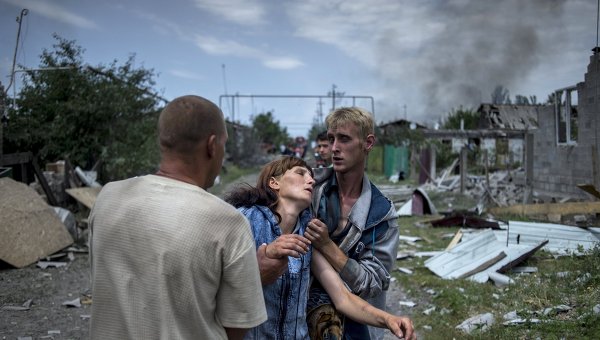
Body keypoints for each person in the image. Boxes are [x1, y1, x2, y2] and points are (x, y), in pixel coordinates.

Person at [88, 95, 267, 340]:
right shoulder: (227, 221)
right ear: (212, 145)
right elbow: (236, 327)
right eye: (224, 145)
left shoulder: (107, 197)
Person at [224, 156, 415, 340]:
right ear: (274, 183)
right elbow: (216, 285)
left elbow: (343, 298)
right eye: (301, 173)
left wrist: (389, 319)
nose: (310, 180)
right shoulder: (246, 220)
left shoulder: (306, 236)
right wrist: (261, 262)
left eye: (311, 176)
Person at [305, 107, 400, 340]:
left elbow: (371, 284)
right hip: (302, 314)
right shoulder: (310, 187)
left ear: (367, 143)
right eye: (331, 139)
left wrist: (326, 245)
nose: (334, 148)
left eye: (344, 139)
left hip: (357, 326)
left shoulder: (382, 215)